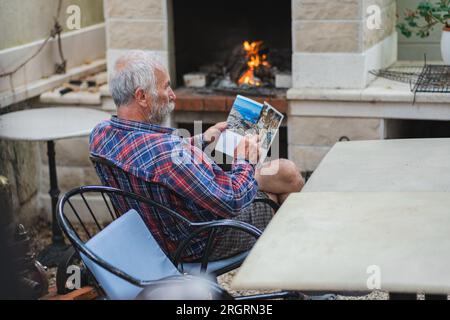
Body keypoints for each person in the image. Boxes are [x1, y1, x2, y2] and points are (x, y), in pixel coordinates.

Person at [89, 50, 304, 261]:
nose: (173, 95)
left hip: (149, 236)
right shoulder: (167, 153)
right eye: (166, 87)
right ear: (142, 96)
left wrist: (200, 141)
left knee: (282, 173)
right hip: (198, 241)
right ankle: (301, 272)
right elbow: (232, 200)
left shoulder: (100, 135)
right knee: (286, 178)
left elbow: (145, 153)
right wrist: (244, 158)